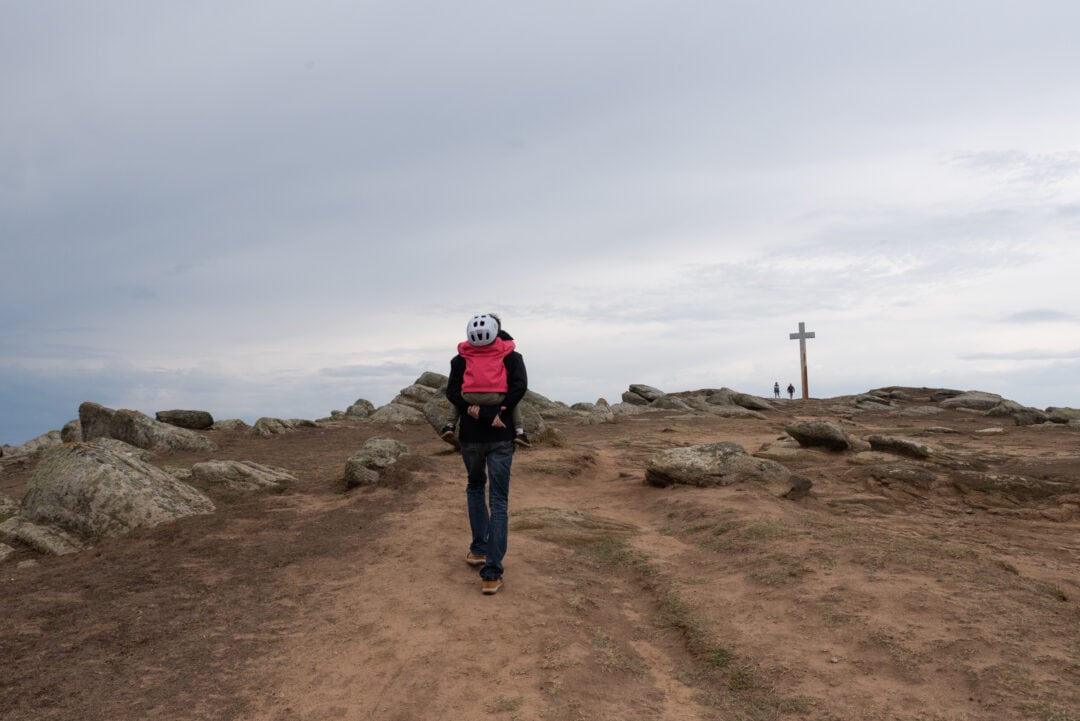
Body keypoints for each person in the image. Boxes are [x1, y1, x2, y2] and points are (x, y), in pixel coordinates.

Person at [446, 313, 528, 595]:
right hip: (501, 435)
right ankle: (491, 573)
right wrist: (499, 411)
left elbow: (453, 392)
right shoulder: (511, 356)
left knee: (474, 487)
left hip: (470, 436)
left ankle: (479, 548)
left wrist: (476, 410)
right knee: (499, 500)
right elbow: (519, 387)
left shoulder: (460, 358)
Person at [441, 313, 530, 447]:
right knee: (513, 398)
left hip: (469, 408)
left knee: (461, 391)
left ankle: (449, 425)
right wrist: (501, 409)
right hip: (498, 409)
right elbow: (519, 386)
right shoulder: (509, 353)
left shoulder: (463, 356)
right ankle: (520, 432)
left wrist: (471, 408)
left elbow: (452, 392)